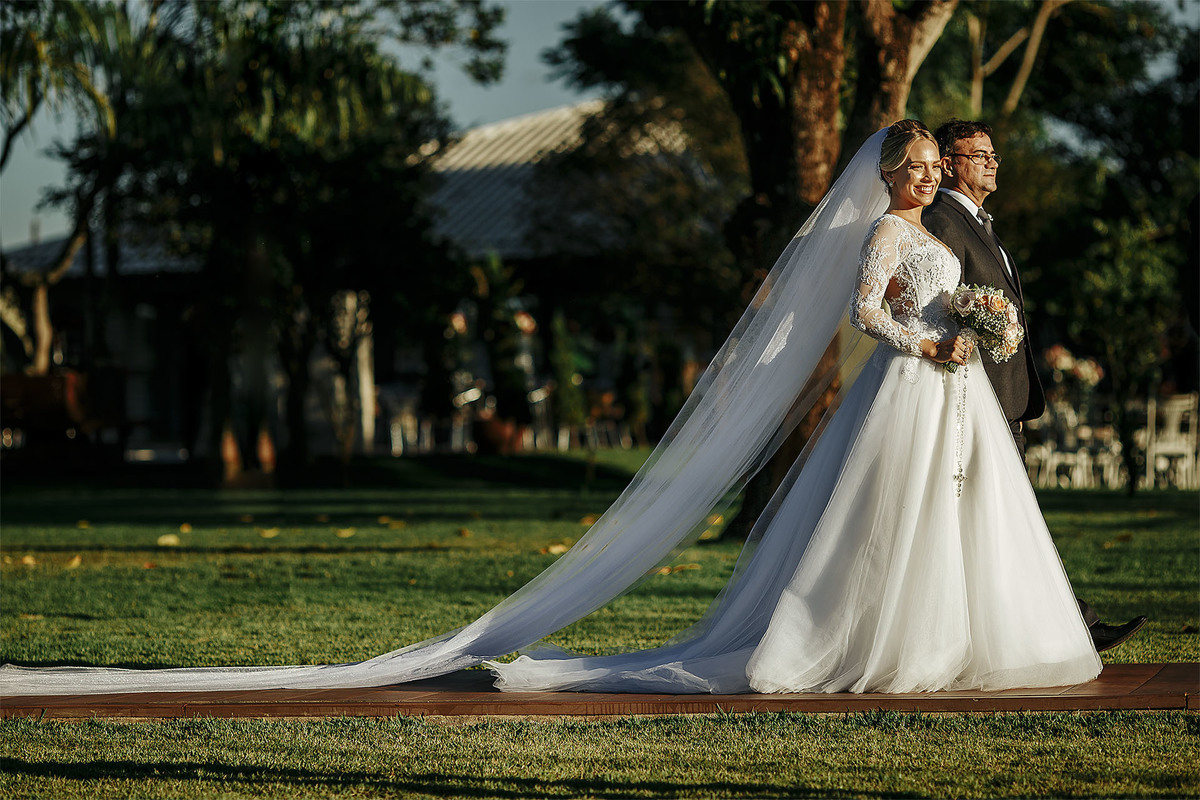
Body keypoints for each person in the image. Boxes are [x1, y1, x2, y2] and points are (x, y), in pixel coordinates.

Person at [0, 121, 1103, 697]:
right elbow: (866, 317)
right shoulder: (883, 237)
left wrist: (983, 327)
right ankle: (870, 642)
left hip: (953, 397)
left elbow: (947, 302)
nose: (919, 178)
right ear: (891, 177)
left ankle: (970, 640)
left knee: (965, 518)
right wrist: (939, 334)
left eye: (924, 166)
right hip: (912, 383)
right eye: (909, 166)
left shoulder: (940, 238)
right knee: (883, 527)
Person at [922, 119, 1147, 654]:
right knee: (1008, 525)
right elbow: (940, 310)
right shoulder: (943, 223)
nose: (993, 162)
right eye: (980, 154)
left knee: (1004, 525)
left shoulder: (977, 222)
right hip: (976, 400)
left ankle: (1054, 627)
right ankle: (1076, 626)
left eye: (994, 153)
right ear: (950, 163)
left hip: (1002, 398)